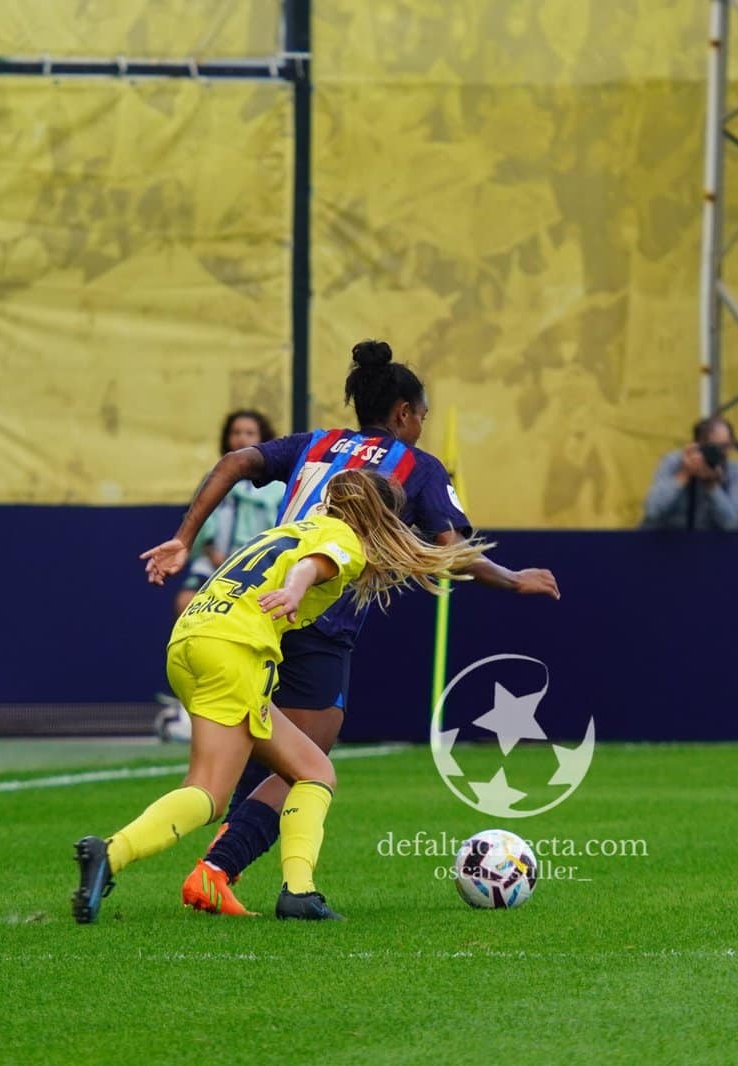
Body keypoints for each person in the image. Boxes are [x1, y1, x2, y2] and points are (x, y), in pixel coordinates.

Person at [141, 339, 561, 917]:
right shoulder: (417, 467)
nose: (422, 425)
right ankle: (223, 870)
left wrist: (184, 537)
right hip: (318, 618)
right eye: (422, 415)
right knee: (306, 760)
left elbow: (234, 463)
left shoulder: (317, 443)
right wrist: (512, 579)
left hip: (260, 612)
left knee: (265, 747)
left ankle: (219, 866)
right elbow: (454, 548)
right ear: (403, 414)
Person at [72, 470, 490, 924]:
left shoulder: (289, 527)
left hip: (191, 640)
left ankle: (300, 893)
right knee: (209, 793)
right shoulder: (345, 539)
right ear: (379, 517)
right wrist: (295, 589)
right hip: (235, 651)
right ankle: (110, 854)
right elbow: (311, 566)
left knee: (314, 771)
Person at [175, 411, 286, 617]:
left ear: (262, 438)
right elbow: (201, 522)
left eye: (249, 433)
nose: (242, 438)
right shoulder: (214, 479)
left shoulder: (277, 486)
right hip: (214, 562)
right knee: (185, 602)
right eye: (236, 432)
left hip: (259, 566)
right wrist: (215, 556)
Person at [640, 417, 738, 530]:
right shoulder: (674, 462)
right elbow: (652, 510)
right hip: (664, 540)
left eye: (727, 446)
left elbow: (732, 524)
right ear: (698, 446)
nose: (722, 454)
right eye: (715, 448)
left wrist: (712, 487)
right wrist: (684, 474)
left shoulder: (735, 472)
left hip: (707, 544)